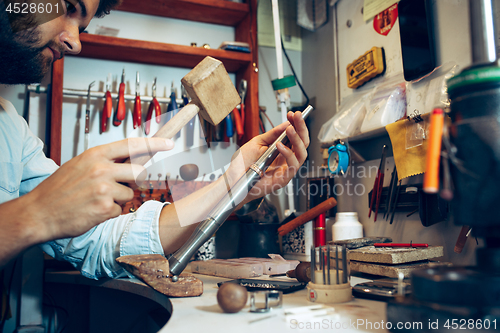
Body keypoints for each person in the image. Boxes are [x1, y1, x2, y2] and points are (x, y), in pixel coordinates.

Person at [0, 0, 310, 279]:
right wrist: (37, 212)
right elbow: (42, 214)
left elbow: (101, 243)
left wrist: (233, 186)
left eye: (82, 26)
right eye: (68, 6)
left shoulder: (12, 128)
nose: (76, 42)